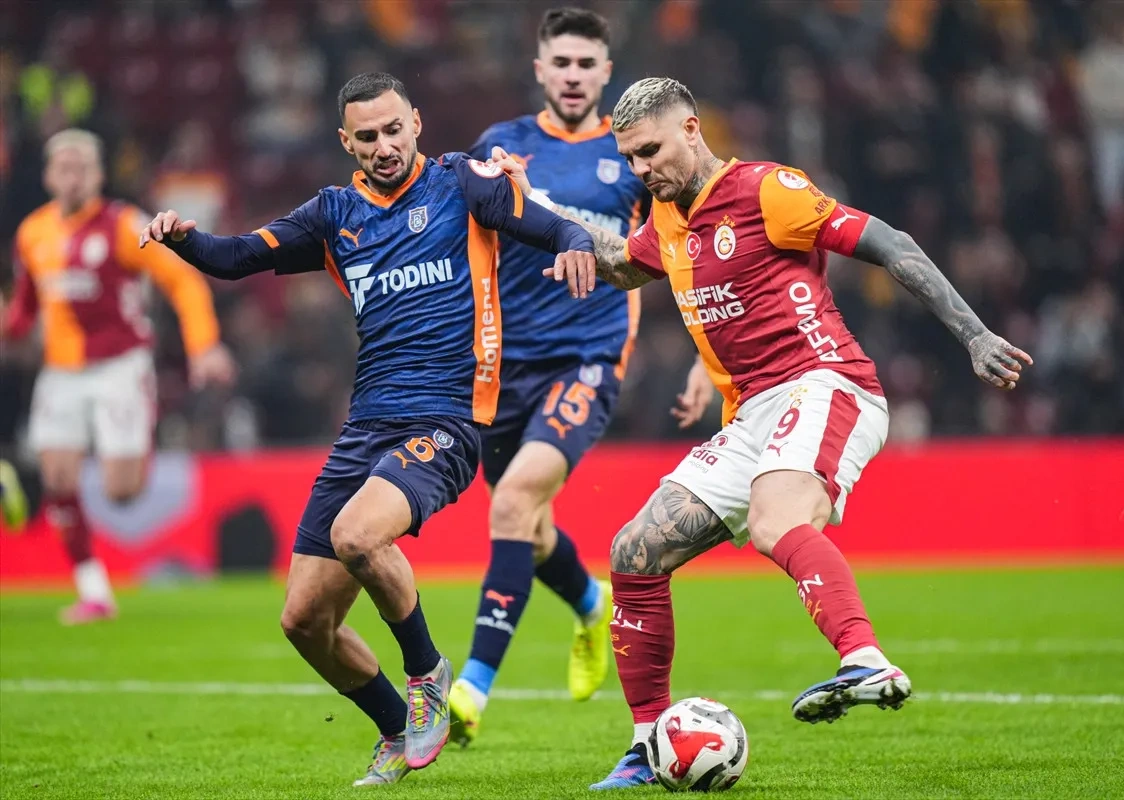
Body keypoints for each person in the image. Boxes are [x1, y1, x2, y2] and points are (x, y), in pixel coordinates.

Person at [491, 76, 1033, 789]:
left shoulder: (766, 190)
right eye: (629, 158)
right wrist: (529, 204)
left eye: (650, 150)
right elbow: (620, 264)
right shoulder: (667, 218)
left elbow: (890, 242)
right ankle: (648, 745)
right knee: (634, 553)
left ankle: (865, 660)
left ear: (691, 130)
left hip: (824, 382)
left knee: (778, 519)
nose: (641, 168)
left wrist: (974, 334)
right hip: (751, 413)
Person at [139, 72, 596, 786]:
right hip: (366, 429)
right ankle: (393, 726)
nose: (384, 146)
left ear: (416, 123)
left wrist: (573, 240)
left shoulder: (464, 184)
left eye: (394, 130)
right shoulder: (333, 214)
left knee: (357, 536)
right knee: (302, 622)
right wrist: (184, 238)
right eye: (368, 136)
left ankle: (427, 671)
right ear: (346, 142)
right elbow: (237, 257)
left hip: (447, 419)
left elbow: (546, 223)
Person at [448, 7, 714, 747]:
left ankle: (470, 690)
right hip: (501, 366)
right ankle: (592, 606)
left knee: (513, 505)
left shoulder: (634, 155)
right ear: (540, 69)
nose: (572, 75)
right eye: (560, 63)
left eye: (585, 64)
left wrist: (706, 355)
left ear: (606, 73)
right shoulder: (500, 145)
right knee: (527, 526)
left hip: (587, 360)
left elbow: (691, 252)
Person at [1, 128, 234, 625]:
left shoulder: (125, 225)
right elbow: (23, 312)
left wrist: (203, 345)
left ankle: (139, 434)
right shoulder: (33, 233)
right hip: (61, 372)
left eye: (82, 168)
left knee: (122, 493)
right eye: (63, 168)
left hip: (120, 367)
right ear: (48, 176)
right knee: (58, 478)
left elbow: (182, 281)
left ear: (99, 175)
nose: (72, 177)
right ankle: (94, 592)